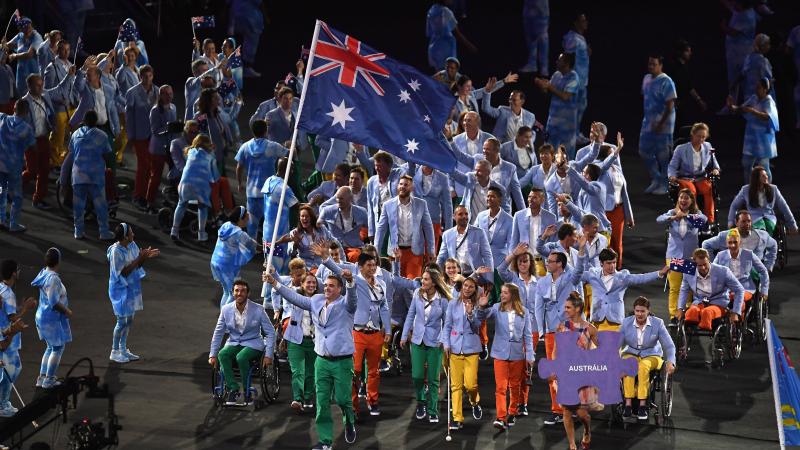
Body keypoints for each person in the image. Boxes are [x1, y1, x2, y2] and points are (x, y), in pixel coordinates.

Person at [264, 268, 359, 449]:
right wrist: (274, 283)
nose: (327, 289)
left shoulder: (346, 305)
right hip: (321, 360)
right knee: (322, 403)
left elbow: (353, 299)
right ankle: (325, 442)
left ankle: (349, 421)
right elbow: (296, 298)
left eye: (332, 286)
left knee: (342, 399)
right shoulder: (316, 300)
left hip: (342, 361)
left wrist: (351, 283)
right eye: (327, 286)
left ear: (340, 289)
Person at [534, 237, 588, 426]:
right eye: (547, 261)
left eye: (550, 261)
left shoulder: (570, 276)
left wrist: (581, 251)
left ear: (560, 264)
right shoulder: (541, 282)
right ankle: (557, 409)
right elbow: (538, 307)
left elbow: (580, 270)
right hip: (551, 331)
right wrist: (541, 331)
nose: (547, 263)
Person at [476, 283, 534, 430]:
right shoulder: (496, 307)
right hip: (500, 353)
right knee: (501, 387)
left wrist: (530, 355)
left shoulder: (524, 312)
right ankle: (501, 418)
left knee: (514, 386)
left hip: (517, 355)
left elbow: (527, 335)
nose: (501, 295)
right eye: (501, 292)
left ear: (513, 295)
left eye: (505, 293)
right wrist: (482, 307)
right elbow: (481, 317)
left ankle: (512, 412)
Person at [209, 279, 275, 406]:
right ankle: (233, 388)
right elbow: (218, 332)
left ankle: (247, 391)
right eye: (237, 291)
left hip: (253, 343)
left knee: (241, 357)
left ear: (248, 293)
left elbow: (270, 332)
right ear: (233, 293)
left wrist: (269, 354)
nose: (239, 293)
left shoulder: (258, 309)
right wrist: (212, 354)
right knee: (222, 355)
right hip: (233, 342)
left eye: (243, 291)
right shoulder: (226, 309)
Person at [400, 267, 452, 423]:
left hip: (435, 342)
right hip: (417, 340)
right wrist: (404, 335)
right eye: (423, 278)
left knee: (433, 379)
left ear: (434, 283)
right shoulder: (417, 294)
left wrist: (444, 340)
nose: (422, 281)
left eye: (426, 279)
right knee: (417, 375)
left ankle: (432, 409)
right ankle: (421, 401)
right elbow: (410, 315)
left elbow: (447, 323)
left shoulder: (443, 300)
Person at [20, 70, 75, 210]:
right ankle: (12, 187)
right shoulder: (24, 102)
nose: (41, 87)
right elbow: (21, 125)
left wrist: (69, 76)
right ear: (29, 86)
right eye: (37, 85)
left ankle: (38, 199)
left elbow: (59, 89)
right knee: (32, 171)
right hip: (31, 141)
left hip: (44, 138)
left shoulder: (44, 95)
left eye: (41, 84)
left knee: (44, 170)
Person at [107, 223, 159, 363]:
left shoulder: (132, 244)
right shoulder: (115, 252)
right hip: (119, 290)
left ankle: (123, 349)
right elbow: (124, 272)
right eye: (131, 233)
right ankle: (114, 350)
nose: (133, 235)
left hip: (131, 287)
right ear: (125, 237)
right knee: (121, 321)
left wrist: (145, 256)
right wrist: (140, 257)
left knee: (129, 320)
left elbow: (138, 264)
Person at [496, 243, 537, 415]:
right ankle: (516, 402)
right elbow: (500, 269)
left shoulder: (539, 282)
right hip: (514, 329)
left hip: (533, 329)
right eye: (520, 261)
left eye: (526, 261)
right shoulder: (511, 279)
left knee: (526, 368)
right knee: (516, 368)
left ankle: (523, 402)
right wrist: (514, 253)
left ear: (530, 263)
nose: (523, 264)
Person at [582, 248, 669, 330]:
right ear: (601, 263)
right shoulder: (592, 275)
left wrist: (659, 273)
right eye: (609, 263)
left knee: (613, 346)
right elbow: (576, 275)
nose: (612, 266)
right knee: (597, 346)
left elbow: (641, 278)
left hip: (615, 323)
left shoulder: (623, 277)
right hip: (596, 322)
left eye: (614, 262)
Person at [620, 296, 676, 421]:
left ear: (648, 311)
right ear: (634, 311)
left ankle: (642, 405)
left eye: (642, 311)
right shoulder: (626, 323)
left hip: (652, 355)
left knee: (643, 367)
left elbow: (669, 346)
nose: (639, 314)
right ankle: (628, 404)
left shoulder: (658, 323)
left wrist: (671, 362)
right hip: (632, 353)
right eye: (637, 311)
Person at [554, 293, 597, 449]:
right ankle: (572, 445)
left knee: (581, 414)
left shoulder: (590, 329)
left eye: (568, 307)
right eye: (565, 307)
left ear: (578, 308)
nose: (565, 310)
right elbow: (555, 350)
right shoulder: (561, 327)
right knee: (566, 410)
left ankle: (587, 430)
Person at [657, 188, 707, 324]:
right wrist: (673, 217)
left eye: (686, 198)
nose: (683, 200)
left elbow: (703, 221)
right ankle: (674, 315)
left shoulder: (697, 215)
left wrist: (686, 216)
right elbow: (659, 219)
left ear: (691, 201)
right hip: (674, 256)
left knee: (690, 287)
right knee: (675, 287)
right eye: (681, 198)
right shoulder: (672, 213)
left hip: (690, 257)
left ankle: (688, 312)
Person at [234, 119, 289, 239]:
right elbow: (289, 155)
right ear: (266, 131)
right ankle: (269, 250)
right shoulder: (272, 146)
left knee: (252, 224)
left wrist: (239, 183)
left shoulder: (245, 147)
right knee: (270, 223)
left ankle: (252, 248)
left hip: (252, 192)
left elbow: (239, 167)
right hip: (268, 192)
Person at [442, 275, 484, 430]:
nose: (467, 288)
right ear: (462, 287)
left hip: (471, 349)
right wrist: (446, 343)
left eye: (471, 287)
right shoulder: (453, 304)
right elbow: (447, 326)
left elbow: (477, 327)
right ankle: (457, 418)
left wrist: (470, 313)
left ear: (475, 290)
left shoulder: (479, 305)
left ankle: (475, 401)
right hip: (454, 348)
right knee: (456, 386)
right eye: (465, 285)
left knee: (471, 385)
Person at [375, 175, 435, 278]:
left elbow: (428, 228)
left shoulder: (421, 204)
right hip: (395, 253)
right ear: (397, 186)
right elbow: (381, 229)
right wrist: (375, 250)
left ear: (411, 188)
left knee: (412, 282)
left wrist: (431, 250)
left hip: (414, 252)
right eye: (401, 184)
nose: (402, 186)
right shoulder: (387, 205)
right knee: (396, 285)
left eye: (406, 185)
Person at [68, 110, 115, 240]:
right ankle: (104, 232)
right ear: (96, 121)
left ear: (84, 120)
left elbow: (71, 151)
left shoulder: (75, 134)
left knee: (78, 206)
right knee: (100, 206)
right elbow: (107, 154)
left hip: (78, 175)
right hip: (95, 176)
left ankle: (78, 231)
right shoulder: (102, 136)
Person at [32, 248, 73, 389]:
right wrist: (67, 311)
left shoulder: (44, 273)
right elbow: (53, 302)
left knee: (50, 347)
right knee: (57, 347)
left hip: (42, 317)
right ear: (58, 261)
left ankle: (42, 377)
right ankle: (49, 380)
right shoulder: (53, 278)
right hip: (50, 319)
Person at [0, 260, 37, 417]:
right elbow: (13, 318)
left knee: (11, 369)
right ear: (14, 273)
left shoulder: (2, 289)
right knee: (11, 370)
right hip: (7, 337)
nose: (19, 272)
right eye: (18, 270)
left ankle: (4, 402)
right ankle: (3, 404)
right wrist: (26, 309)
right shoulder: (8, 294)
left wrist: (20, 307)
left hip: (6, 335)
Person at [678, 248, 744, 332]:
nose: (703, 267)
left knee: (707, 312)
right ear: (694, 263)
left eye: (705, 264)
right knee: (691, 312)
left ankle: (706, 326)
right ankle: (689, 333)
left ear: (709, 260)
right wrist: (680, 308)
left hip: (718, 303)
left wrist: (735, 312)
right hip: (699, 302)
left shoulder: (723, 271)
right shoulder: (688, 271)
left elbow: (739, 290)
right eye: (699, 265)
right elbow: (684, 290)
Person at [453, 137, 525, 213]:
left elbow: (517, 195)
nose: (484, 151)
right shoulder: (478, 159)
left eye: (487, 149)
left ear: (497, 150)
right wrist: (450, 140)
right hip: (476, 212)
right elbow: (460, 156)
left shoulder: (510, 168)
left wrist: (524, 216)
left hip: (499, 214)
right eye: (483, 149)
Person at [170, 134, 220, 242]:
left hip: (185, 183)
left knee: (181, 204)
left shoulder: (190, 152)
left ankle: (174, 230)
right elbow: (215, 176)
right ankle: (201, 234)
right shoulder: (210, 155)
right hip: (201, 186)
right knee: (202, 207)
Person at [639, 54, 677, 195]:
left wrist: (661, 123)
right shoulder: (647, 78)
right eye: (649, 64)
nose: (650, 67)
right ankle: (656, 178)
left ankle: (665, 184)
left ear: (660, 65)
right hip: (648, 122)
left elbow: (670, 105)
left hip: (664, 124)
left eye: (653, 64)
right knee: (644, 151)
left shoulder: (666, 81)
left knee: (663, 156)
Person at [282, 271, 320, 413]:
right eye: (308, 282)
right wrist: (273, 277)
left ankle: (308, 396)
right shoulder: (296, 297)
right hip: (296, 340)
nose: (311, 284)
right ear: (302, 285)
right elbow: (283, 290)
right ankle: (297, 398)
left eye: (313, 282)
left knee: (310, 372)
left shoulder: (321, 300)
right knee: (298, 371)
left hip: (314, 341)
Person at [668, 122, 720, 223]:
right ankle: (694, 218)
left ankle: (709, 220)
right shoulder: (681, 149)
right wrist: (672, 176)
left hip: (700, 177)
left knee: (709, 189)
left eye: (703, 137)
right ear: (692, 134)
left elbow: (715, 164)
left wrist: (716, 170)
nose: (701, 139)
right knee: (691, 191)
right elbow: (672, 166)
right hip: (685, 177)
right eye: (698, 136)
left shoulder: (708, 146)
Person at [125, 64, 159, 209]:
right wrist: (130, 135)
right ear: (140, 77)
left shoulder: (158, 91)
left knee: (153, 166)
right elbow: (129, 117)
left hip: (154, 135)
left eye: (149, 76)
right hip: (139, 135)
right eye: (144, 76)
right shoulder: (132, 93)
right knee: (143, 165)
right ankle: (137, 195)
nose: (147, 79)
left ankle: (148, 195)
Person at [728, 166, 797, 235]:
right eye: (763, 176)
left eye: (766, 175)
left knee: (769, 227)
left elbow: (784, 207)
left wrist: (792, 224)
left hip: (769, 218)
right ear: (757, 178)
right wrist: (731, 222)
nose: (766, 177)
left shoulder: (773, 189)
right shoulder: (746, 190)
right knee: (760, 229)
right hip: (754, 218)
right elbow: (734, 206)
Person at [713, 229, 769, 315]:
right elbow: (712, 272)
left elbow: (763, 271)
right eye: (730, 242)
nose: (732, 245)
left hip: (745, 288)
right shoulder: (720, 256)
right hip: (726, 289)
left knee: (738, 298)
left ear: (740, 242)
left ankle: (738, 320)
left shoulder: (749, 254)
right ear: (726, 243)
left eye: (735, 242)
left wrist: (764, 290)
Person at [534, 53, 579, 158]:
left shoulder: (574, 77)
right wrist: (542, 86)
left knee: (566, 156)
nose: (557, 61)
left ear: (567, 63)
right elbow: (548, 92)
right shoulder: (556, 75)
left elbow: (565, 96)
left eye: (560, 60)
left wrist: (549, 86)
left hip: (567, 125)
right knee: (548, 152)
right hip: (553, 122)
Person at [211, 207, 258, 306]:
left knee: (227, 292)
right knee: (233, 294)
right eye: (247, 218)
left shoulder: (226, 225)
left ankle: (223, 317)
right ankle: (224, 318)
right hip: (226, 266)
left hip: (215, 261)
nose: (248, 220)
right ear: (241, 218)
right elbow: (252, 244)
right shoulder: (239, 233)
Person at [0, 100, 35, 232]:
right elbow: (33, 146)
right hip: (14, 166)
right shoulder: (27, 128)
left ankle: (1, 219)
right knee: (17, 196)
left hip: (0, 164)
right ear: (26, 112)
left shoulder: (3, 118)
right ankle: (14, 224)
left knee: (0, 192)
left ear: (14, 108)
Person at [704, 209, 777, 271]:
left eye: (749, 221)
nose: (747, 224)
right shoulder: (725, 236)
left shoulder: (762, 236)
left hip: (753, 274)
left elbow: (773, 245)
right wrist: (713, 267)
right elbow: (706, 244)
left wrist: (768, 265)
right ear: (736, 222)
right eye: (743, 221)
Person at [261, 157, 299, 274]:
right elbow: (296, 205)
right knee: (275, 271)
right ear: (290, 171)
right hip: (279, 237)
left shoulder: (269, 180)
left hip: (267, 233)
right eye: (292, 169)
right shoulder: (284, 188)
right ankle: (269, 293)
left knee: (271, 264)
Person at [42, 39, 76, 166]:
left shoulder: (70, 64)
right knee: (58, 137)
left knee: (69, 136)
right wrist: (58, 99)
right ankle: (54, 162)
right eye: (63, 49)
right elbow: (47, 91)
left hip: (71, 105)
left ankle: (64, 160)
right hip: (59, 108)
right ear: (57, 50)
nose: (66, 52)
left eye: (68, 49)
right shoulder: (52, 68)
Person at [510, 188, 558, 276]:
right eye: (529, 197)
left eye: (535, 197)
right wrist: (512, 264)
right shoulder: (518, 215)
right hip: (524, 261)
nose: (530, 199)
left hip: (544, 262)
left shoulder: (551, 217)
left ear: (542, 200)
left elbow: (553, 243)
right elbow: (514, 241)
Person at [437, 205, 494, 279]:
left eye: (466, 214)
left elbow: (487, 256)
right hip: (455, 275)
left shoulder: (479, 232)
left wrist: (489, 279)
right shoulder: (447, 234)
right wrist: (436, 275)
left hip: (476, 275)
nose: (464, 216)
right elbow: (441, 257)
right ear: (454, 216)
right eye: (460, 214)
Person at [144, 85, 176, 212]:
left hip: (171, 147)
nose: (169, 96)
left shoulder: (173, 107)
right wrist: (169, 128)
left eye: (170, 93)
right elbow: (155, 131)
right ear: (160, 95)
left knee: (175, 174)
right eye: (165, 94)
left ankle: (171, 199)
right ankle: (149, 202)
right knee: (156, 176)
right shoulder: (155, 110)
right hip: (158, 148)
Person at [276, 204, 335, 270]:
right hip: (306, 266)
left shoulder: (321, 228)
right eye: (302, 216)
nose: (304, 218)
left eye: (307, 216)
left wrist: (327, 246)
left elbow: (333, 241)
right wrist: (296, 243)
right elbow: (290, 253)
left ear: (311, 218)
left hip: (324, 263)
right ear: (299, 218)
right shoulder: (295, 232)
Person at [318, 187, 369, 262]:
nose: (338, 201)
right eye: (337, 198)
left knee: (356, 256)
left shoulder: (362, 212)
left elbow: (369, 230)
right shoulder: (327, 211)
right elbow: (318, 225)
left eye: (341, 199)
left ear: (350, 199)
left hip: (354, 249)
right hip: (334, 249)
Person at [665, 39, 707, 126]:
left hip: (681, 106)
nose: (690, 53)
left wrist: (699, 100)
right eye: (687, 51)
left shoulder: (685, 68)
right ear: (681, 52)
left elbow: (689, 86)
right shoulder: (673, 67)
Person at [411, 164, 452, 252]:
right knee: (415, 256)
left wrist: (449, 229)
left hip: (433, 222)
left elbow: (447, 205)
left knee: (430, 255)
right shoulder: (412, 171)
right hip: (413, 221)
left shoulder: (442, 178)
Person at [721, 0, 757, 100]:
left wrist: (723, 26)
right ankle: (731, 105)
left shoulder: (747, 16)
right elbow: (730, 6)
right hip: (734, 52)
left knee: (744, 79)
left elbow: (733, 32)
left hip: (743, 53)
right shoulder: (741, 10)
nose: (734, 4)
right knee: (732, 79)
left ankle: (749, 106)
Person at [425, 0, 477, 70]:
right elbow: (457, 33)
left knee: (439, 77)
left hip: (434, 50)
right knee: (447, 77)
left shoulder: (431, 11)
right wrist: (470, 46)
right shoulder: (446, 12)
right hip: (446, 52)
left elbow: (429, 33)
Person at [366, 151, 405, 243]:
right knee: (380, 251)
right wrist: (371, 231)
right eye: (376, 166)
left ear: (389, 167)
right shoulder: (371, 182)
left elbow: (407, 172)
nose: (377, 169)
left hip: (395, 218)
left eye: (380, 166)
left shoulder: (397, 177)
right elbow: (370, 208)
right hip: (380, 219)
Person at [562, 13, 590, 140]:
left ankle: (576, 132)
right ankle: (571, 133)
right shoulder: (572, 38)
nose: (585, 23)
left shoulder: (580, 38)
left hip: (582, 80)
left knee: (581, 107)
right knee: (573, 108)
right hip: (575, 80)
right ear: (576, 22)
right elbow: (567, 58)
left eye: (585, 20)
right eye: (582, 20)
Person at [195, 88, 234, 176]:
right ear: (208, 100)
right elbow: (200, 137)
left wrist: (228, 140)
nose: (218, 99)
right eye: (215, 97)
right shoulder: (201, 117)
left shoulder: (218, 113)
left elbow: (226, 125)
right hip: (209, 157)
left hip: (219, 154)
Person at [476, 186, 514, 267]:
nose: (489, 198)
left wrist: (508, 265)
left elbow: (511, 245)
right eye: (488, 196)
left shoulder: (509, 220)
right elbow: (473, 235)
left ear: (499, 200)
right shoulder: (480, 216)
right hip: (481, 262)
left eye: (492, 196)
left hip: (500, 263)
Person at [6, 17, 43, 97]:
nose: (28, 29)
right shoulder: (20, 36)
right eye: (25, 27)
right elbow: (8, 45)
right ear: (20, 29)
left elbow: (30, 54)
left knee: (34, 96)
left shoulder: (36, 37)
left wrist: (14, 56)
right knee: (21, 97)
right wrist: (3, 44)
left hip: (33, 73)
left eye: (29, 26)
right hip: (21, 74)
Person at [229, 0, 266, 78]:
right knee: (242, 44)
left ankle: (244, 69)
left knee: (243, 44)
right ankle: (241, 69)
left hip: (245, 19)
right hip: (246, 20)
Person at [519, 0, 549, 75]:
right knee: (530, 37)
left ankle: (544, 67)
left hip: (540, 10)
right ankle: (532, 64)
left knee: (542, 38)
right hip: (529, 10)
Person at [739, 34, 773, 101]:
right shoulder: (763, 61)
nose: (769, 46)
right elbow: (767, 79)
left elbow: (743, 74)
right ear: (763, 46)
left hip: (749, 94)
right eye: (768, 44)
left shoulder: (748, 58)